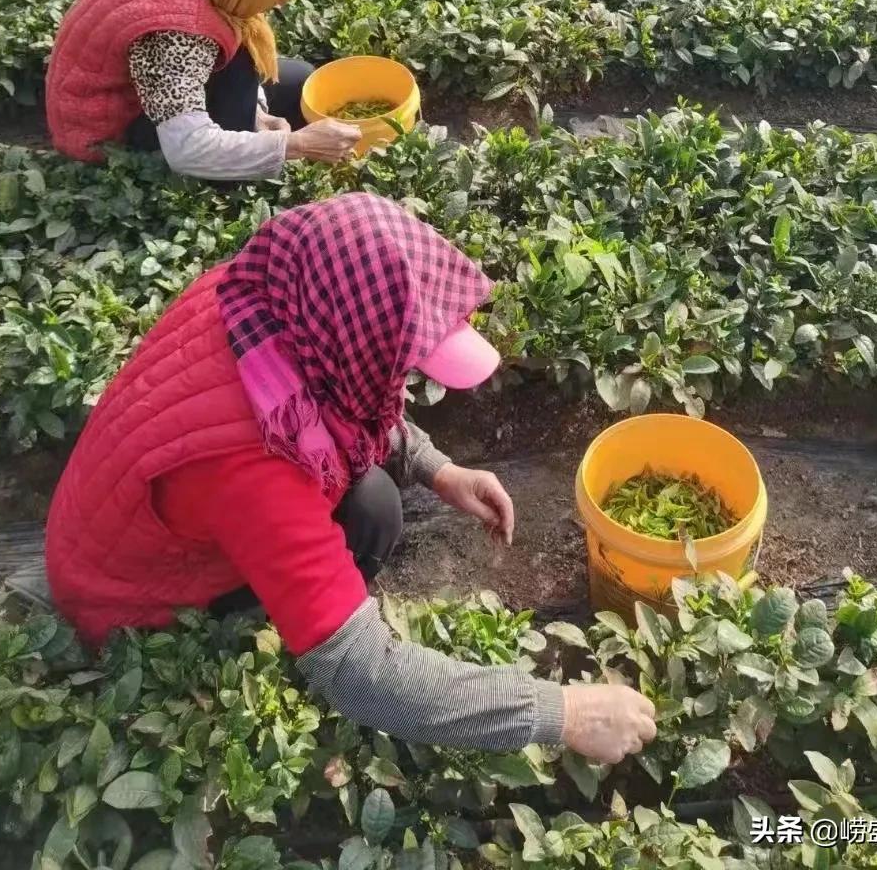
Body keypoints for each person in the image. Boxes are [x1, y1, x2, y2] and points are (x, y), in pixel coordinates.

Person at [45, 192, 658, 762]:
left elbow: (350, 394)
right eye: (402, 359)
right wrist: (564, 712)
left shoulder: (261, 295)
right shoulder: (257, 470)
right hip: (130, 604)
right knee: (373, 513)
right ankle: (275, 630)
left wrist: (435, 467)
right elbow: (361, 676)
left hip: (112, 524)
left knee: (375, 496)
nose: (403, 378)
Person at [46, 0, 361, 179]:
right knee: (242, 69)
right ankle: (225, 185)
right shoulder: (176, 31)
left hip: (141, 93)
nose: (282, 0)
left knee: (300, 79)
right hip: (106, 132)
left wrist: (259, 116)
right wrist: (295, 146)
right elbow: (187, 149)